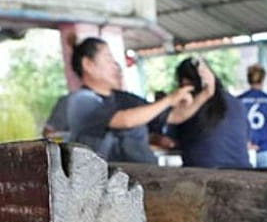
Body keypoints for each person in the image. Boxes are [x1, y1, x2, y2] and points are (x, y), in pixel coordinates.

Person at [65, 38, 195, 163]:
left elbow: (173, 116)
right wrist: (169, 99)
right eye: (108, 58)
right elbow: (126, 120)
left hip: (140, 175)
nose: (115, 65)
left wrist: (206, 92)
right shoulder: (81, 100)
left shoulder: (125, 98)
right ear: (88, 64)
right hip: (105, 182)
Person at [166, 58, 249, 169]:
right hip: (243, 172)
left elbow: (169, 142)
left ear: (185, 82)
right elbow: (246, 138)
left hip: (202, 176)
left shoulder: (189, 106)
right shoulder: (237, 103)